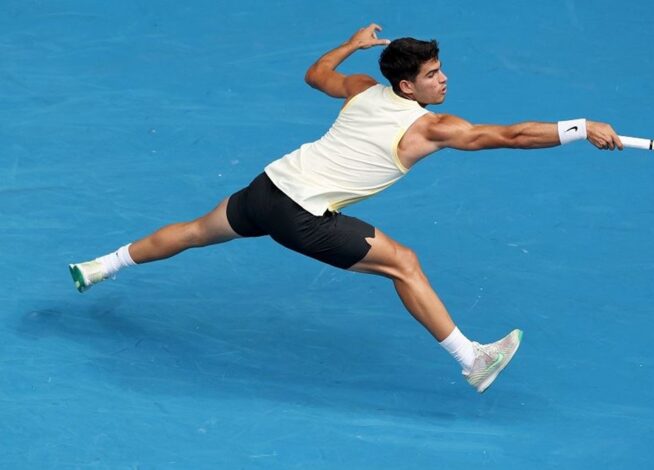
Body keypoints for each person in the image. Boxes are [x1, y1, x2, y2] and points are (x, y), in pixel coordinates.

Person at [69, 24, 623, 393]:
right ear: (407, 85)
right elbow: (511, 136)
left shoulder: (361, 88)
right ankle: (471, 360)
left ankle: (100, 266)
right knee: (404, 264)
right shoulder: (432, 127)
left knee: (194, 231)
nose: (443, 78)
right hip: (303, 216)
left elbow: (315, 75)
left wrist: (353, 44)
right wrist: (581, 127)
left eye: (440, 69)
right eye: (432, 74)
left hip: (268, 188)